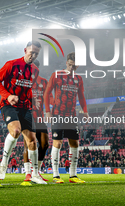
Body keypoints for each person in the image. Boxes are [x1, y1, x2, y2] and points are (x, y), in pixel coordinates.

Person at [0, 41, 46, 184]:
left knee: (33, 141)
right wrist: (8, 95)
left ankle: (35, 175)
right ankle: (3, 165)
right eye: (31, 52)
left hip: (26, 107)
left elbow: (29, 88)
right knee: (16, 131)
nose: (33, 56)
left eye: (36, 54)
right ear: (25, 50)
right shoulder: (11, 64)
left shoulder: (35, 70)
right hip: (9, 105)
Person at [44, 52, 88, 184]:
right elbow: (46, 93)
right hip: (58, 114)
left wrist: (85, 111)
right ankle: (56, 175)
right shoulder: (56, 75)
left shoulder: (79, 79)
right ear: (66, 62)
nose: (71, 68)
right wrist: (47, 111)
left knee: (75, 143)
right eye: (70, 65)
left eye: (74, 66)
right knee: (57, 143)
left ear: (78, 66)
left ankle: (73, 175)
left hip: (72, 116)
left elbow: (81, 96)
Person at [23, 59, 52, 182]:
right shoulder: (24, 82)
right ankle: (28, 173)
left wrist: (50, 109)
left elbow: (49, 98)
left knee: (45, 144)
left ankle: (37, 171)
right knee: (28, 144)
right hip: (27, 116)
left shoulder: (44, 82)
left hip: (40, 117)